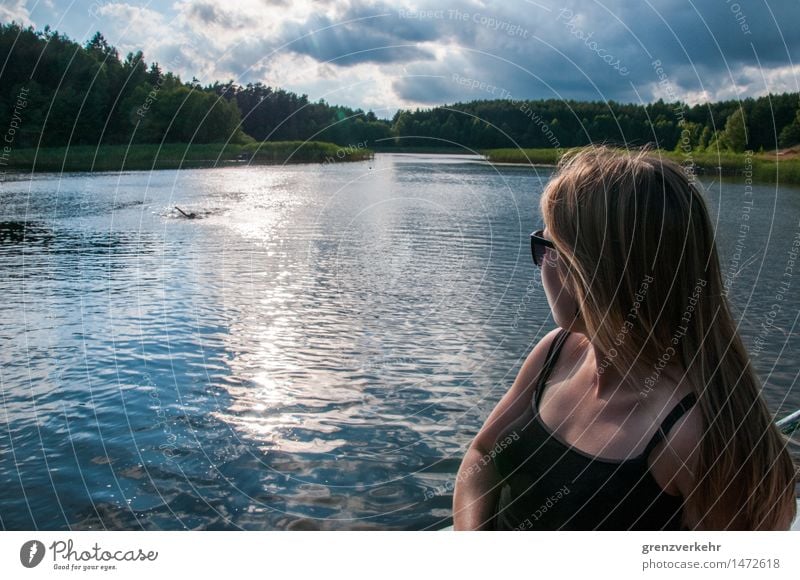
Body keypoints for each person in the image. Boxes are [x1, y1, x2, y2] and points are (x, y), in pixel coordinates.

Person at [452, 145, 798, 530]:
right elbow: (482, 455)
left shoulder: (694, 434)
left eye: (547, 247)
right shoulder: (557, 352)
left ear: (599, 271)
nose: (540, 265)